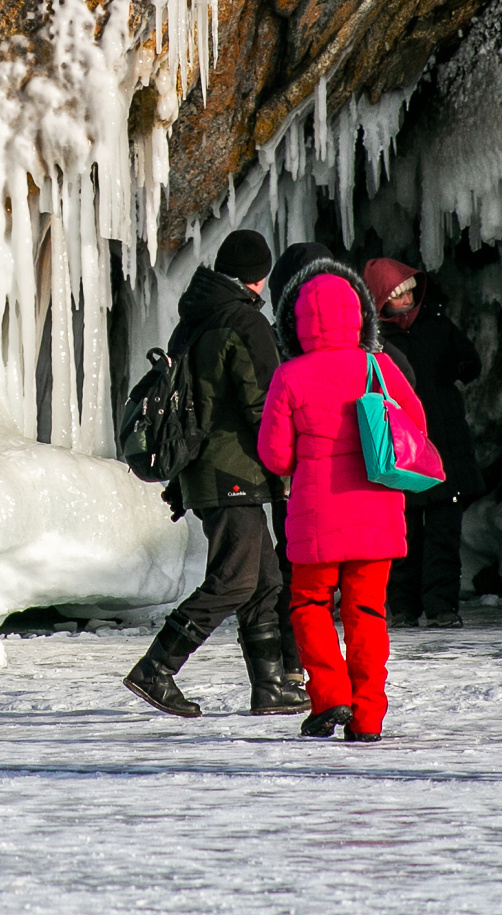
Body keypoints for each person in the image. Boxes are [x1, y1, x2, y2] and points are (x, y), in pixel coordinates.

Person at [124, 228, 307, 718]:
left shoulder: (195, 318)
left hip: (203, 470)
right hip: (234, 471)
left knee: (264, 580)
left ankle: (270, 686)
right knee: (235, 579)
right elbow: (263, 404)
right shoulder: (243, 323)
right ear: (259, 278)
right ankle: (156, 668)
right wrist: (291, 457)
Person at [259, 260, 426, 742]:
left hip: (316, 517)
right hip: (377, 514)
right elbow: (414, 428)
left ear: (299, 323)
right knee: (367, 613)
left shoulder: (290, 376)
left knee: (309, 602)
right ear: (358, 316)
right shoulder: (379, 365)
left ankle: (330, 695)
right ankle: (368, 717)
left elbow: (275, 455)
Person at [364, 259, 484, 628]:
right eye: (395, 296)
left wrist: (457, 367)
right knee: (405, 534)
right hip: (402, 448)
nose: (404, 301)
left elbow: (471, 363)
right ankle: (402, 605)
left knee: (445, 533)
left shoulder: (437, 325)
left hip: (445, 445)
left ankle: (441, 606)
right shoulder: (375, 342)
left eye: (408, 293)